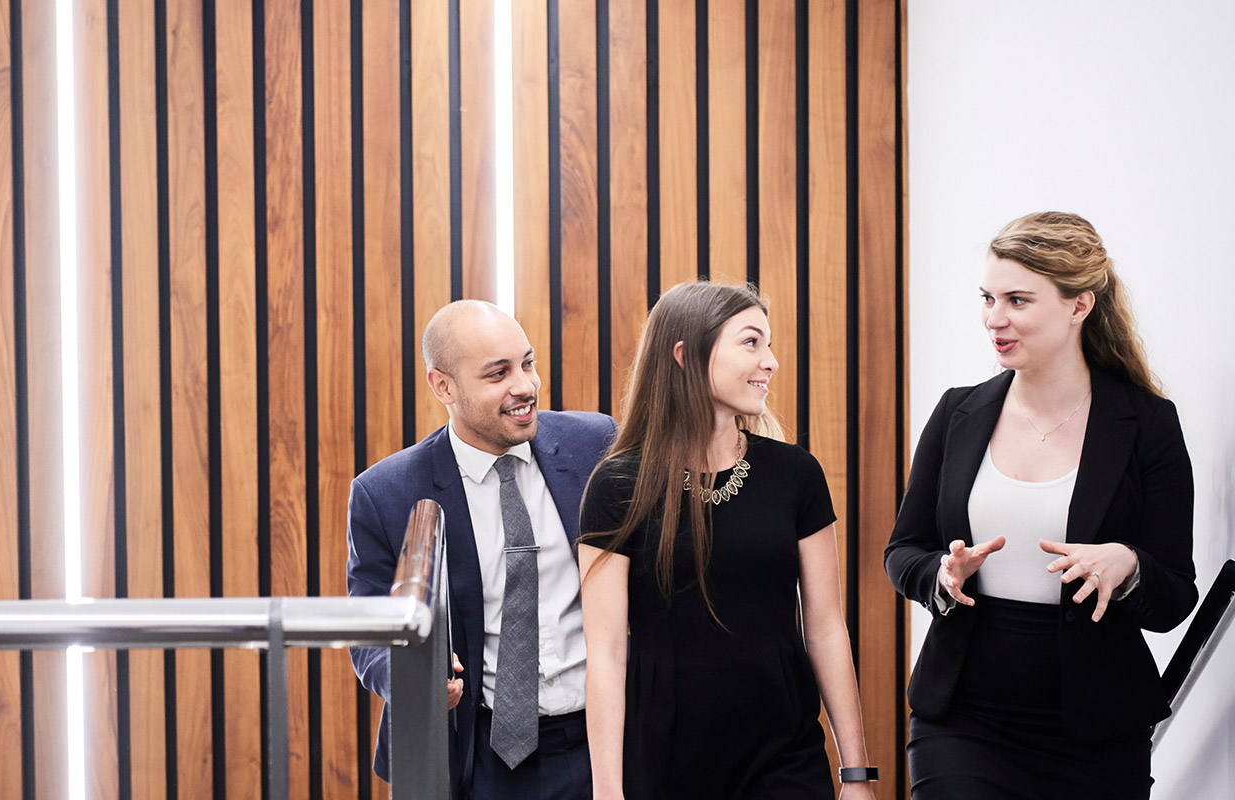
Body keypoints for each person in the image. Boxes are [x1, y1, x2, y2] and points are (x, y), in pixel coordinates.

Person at [885, 212, 1197, 798]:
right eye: (988, 297)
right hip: (962, 717)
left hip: (1095, 731)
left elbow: (1176, 593)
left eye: (1018, 301)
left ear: (1079, 306)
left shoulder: (1147, 424)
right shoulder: (958, 413)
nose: (993, 319)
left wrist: (1127, 566)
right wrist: (940, 574)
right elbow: (903, 550)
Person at [579, 281, 876, 800]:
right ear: (685, 355)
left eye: (769, 343)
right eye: (751, 342)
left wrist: (856, 774)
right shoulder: (616, 485)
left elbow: (826, 627)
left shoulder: (795, 474)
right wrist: (608, 792)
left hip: (783, 755)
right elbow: (604, 653)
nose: (772, 362)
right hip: (664, 759)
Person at [348, 300, 618, 798]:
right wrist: (415, 681)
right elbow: (369, 629)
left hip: (606, 743)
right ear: (443, 386)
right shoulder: (385, 493)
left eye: (528, 363)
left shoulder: (595, 444)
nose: (525, 386)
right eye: (498, 374)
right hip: (477, 758)